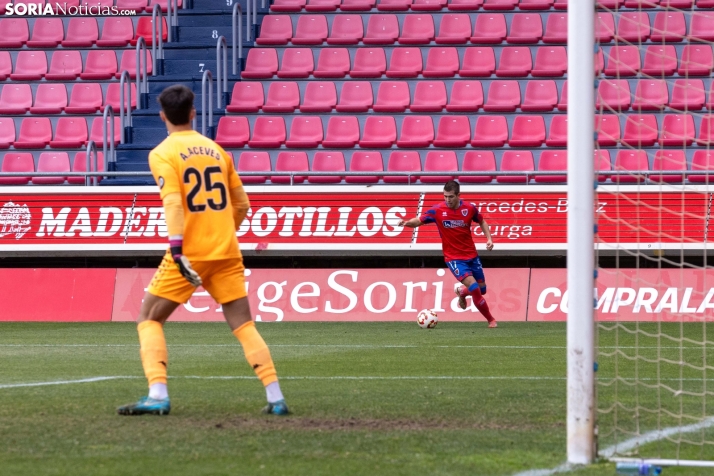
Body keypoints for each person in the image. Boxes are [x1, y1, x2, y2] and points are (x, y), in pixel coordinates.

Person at [117, 85, 288, 416]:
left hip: (190, 253)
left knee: (149, 318)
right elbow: (242, 204)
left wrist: (178, 249)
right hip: (225, 251)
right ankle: (275, 397)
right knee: (243, 325)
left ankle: (157, 394)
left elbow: (173, 203)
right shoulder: (217, 151)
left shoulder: (162, 153)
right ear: (193, 113)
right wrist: (222, 232)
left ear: (163, 116)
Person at [398, 180, 497, 328]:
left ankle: (462, 293)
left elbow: (482, 221)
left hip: (471, 255)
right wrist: (406, 223)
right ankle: (491, 320)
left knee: (482, 289)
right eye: (445, 196)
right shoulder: (438, 210)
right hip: (454, 258)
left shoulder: (469, 208)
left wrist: (489, 238)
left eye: (450, 196)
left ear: (458, 195)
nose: (447, 200)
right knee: (475, 288)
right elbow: (419, 221)